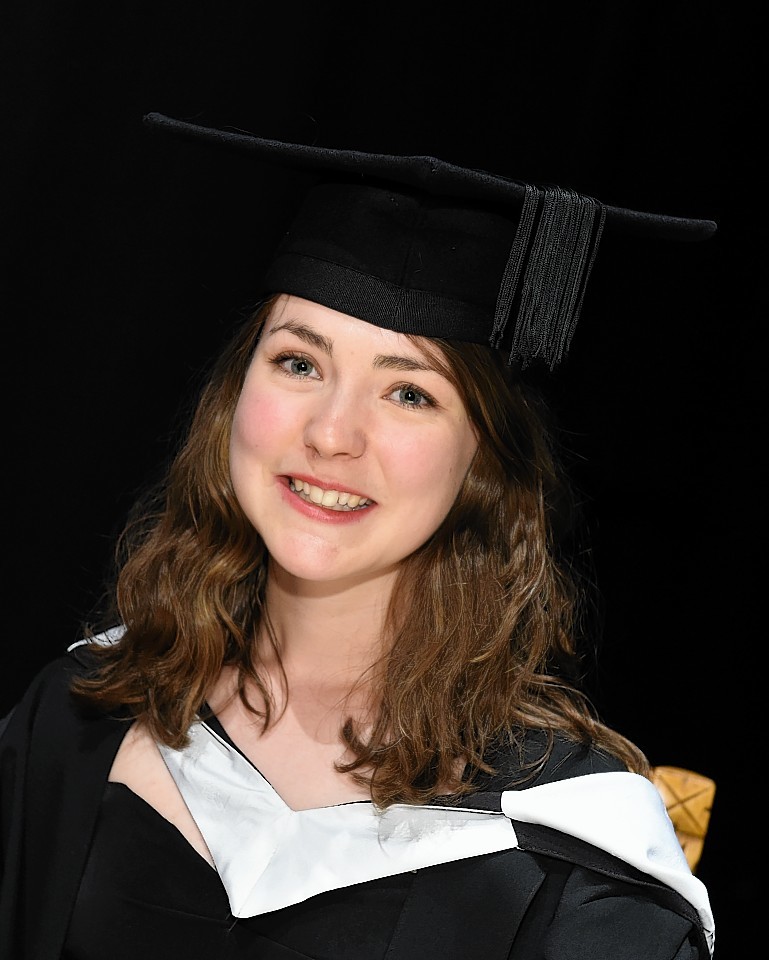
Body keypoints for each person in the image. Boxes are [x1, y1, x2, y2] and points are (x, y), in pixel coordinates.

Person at [0, 112, 717, 960]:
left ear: (483, 458)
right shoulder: (79, 719)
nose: (332, 433)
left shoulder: (575, 861)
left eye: (409, 392)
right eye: (299, 363)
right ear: (234, 398)